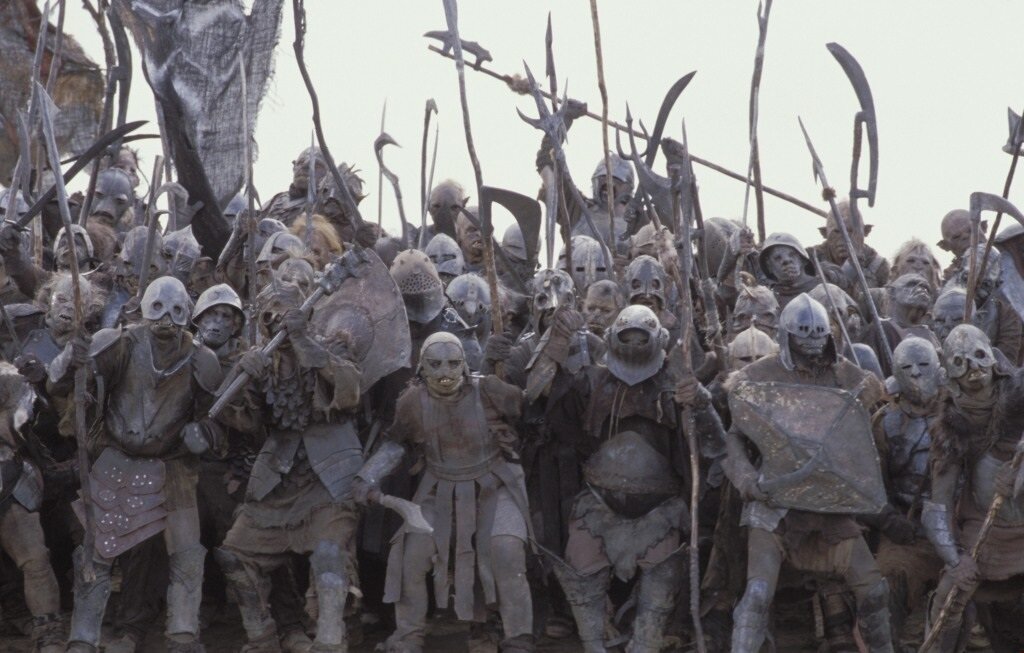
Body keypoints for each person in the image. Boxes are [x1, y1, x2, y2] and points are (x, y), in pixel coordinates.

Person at [48, 276, 223, 653]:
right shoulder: (118, 344)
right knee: (96, 552)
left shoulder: (201, 360)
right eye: (158, 309)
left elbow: (214, 418)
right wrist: (71, 359)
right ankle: (83, 636)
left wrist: (205, 434)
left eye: (175, 312)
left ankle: (183, 634)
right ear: (145, 309)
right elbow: (59, 384)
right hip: (117, 457)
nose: (166, 320)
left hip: (173, 464)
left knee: (186, 551)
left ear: (186, 314)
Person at [722, 293, 893, 652]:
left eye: (819, 333)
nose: (813, 341)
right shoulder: (760, 375)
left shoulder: (843, 374)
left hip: (829, 503)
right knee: (757, 596)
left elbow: (867, 412)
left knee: (875, 592)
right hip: (776, 504)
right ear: (787, 335)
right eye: (804, 333)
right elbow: (735, 438)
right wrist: (747, 480)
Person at [354, 333, 535, 653]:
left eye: (453, 364)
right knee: (410, 555)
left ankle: (518, 638)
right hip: (439, 493)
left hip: (495, 490)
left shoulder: (489, 390)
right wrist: (368, 475)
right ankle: (408, 636)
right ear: (422, 367)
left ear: (464, 364)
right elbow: (396, 444)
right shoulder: (411, 402)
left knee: (506, 551)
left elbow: (529, 406)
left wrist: (502, 365)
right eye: (435, 364)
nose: (445, 372)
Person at [215, 277, 364, 653]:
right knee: (233, 555)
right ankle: (262, 637)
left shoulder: (332, 345)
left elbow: (350, 392)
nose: (276, 321)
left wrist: (303, 340)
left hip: (330, 480)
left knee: (329, 554)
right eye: (268, 316)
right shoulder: (263, 361)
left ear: (305, 313)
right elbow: (243, 422)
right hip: (279, 482)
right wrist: (239, 374)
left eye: (284, 313)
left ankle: (330, 640)